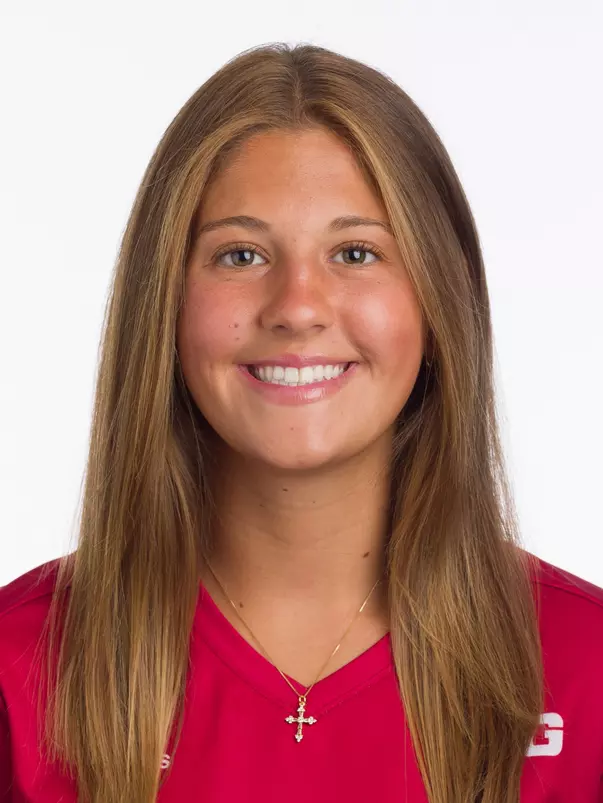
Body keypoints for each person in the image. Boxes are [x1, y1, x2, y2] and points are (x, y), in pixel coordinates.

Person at [1, 41, 602, 803]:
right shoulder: (18, 666)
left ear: (438, 302)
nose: (296, 306)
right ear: (166, 306)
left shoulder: (586, 670)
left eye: (354, 252)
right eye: (240, 255)